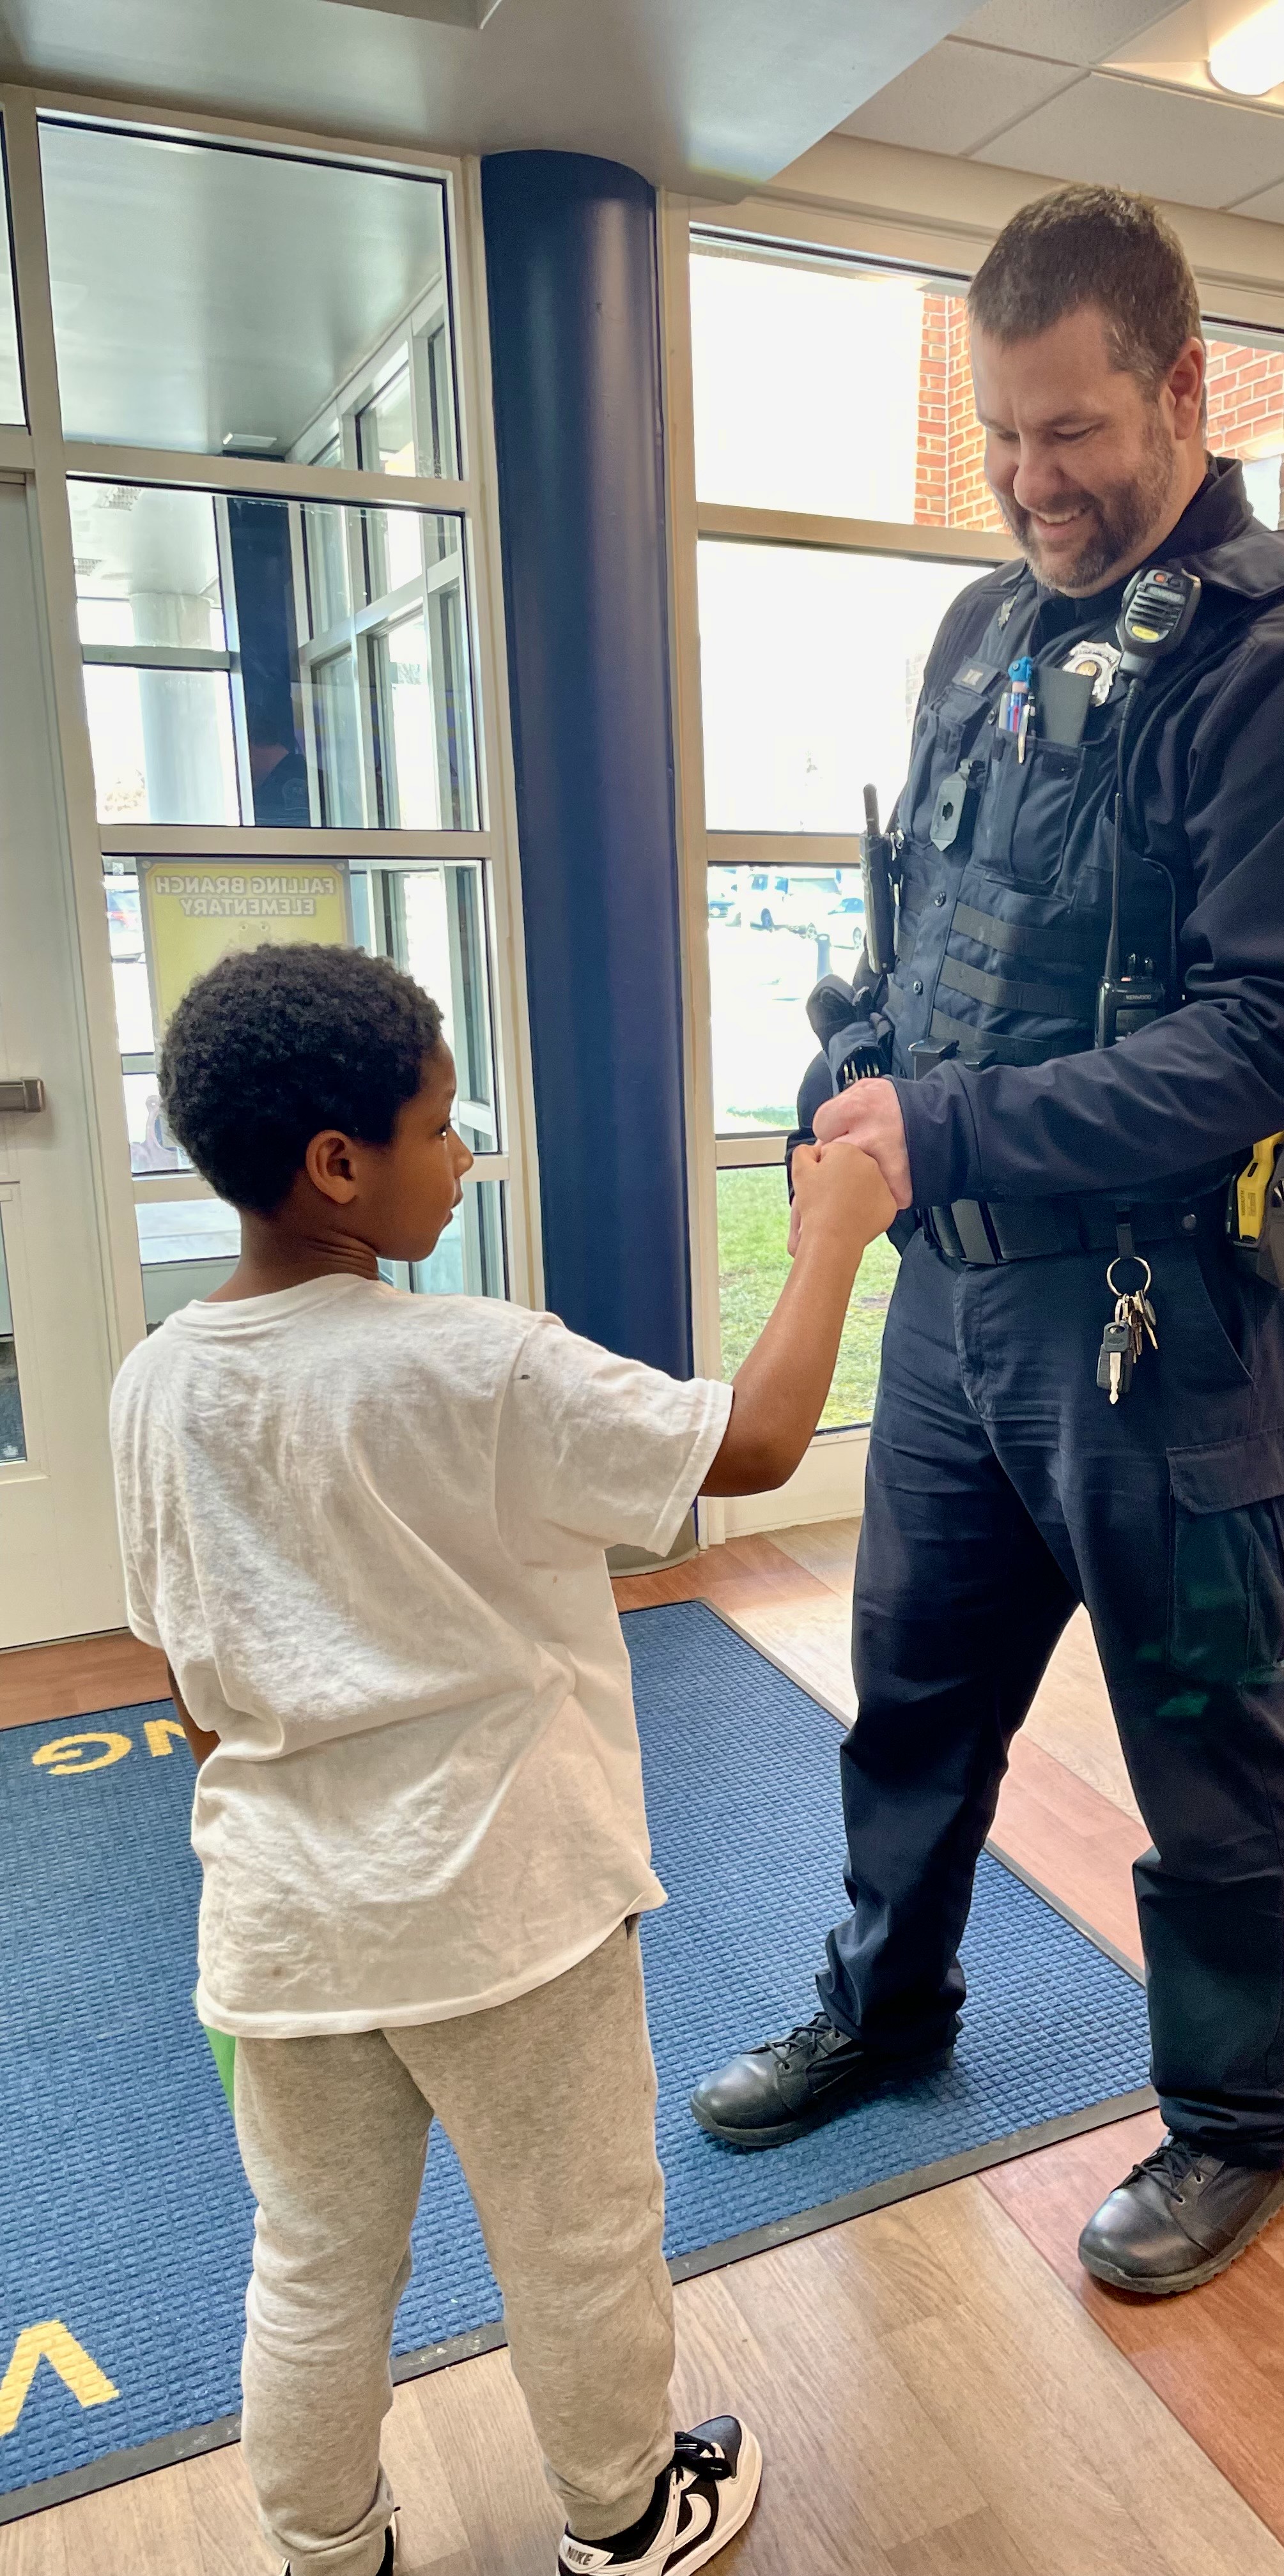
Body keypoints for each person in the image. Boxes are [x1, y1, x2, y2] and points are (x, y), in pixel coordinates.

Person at [690, 185, 1284, 2297]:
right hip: (961, 1308)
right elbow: (918, 928)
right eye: (1002, 441)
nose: (1032, 484)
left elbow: (1260, 1046)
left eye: (1071, 433)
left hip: (1169, 1316)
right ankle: (886, 2006)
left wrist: (943, 1122)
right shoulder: (983, 631)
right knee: (909, 1692)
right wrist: (852, 1060)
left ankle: (1234, 2125)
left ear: (1185, 386)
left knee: (1201, 1735)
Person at [109, 942, 896, 2576]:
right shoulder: (480, 1362)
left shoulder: (152, 1386)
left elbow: (191, 1677)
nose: (463, 1159)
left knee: (314, 2263)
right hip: (507, 1916)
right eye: (442, 1127)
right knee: (580, 2242)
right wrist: (832, 1235)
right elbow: (744, 1449)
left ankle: (324, 2548)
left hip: (280, 1930)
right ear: (339, 1166)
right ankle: (622, 2516)